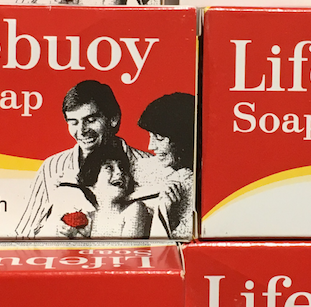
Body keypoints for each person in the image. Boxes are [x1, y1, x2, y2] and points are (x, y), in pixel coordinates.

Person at [16, 80, 164, 237]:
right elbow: (25, 234)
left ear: (113, 118)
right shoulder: (52, 168)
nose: (81, 131)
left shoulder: (155, 167)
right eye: (74, 123)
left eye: (91, 120)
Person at [137, 92, 196, 239]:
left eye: (159, 138)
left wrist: (170, 218)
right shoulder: (142, 168)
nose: (151, 146)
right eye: (150, 136)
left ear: (183, 138)